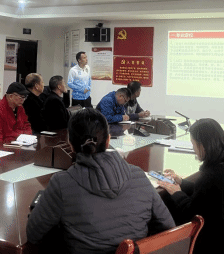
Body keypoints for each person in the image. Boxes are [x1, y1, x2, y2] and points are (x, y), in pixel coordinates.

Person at [27, 108, 175, 253]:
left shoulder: (62, 183)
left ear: (70, 144)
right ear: (108, 140)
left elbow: (33, 234)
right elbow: (168, 227)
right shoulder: (138, 175)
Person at [157, 119, 224, 254]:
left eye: (193, 144)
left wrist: (177, 193)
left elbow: (192, 214)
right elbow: (206, 195)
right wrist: (181, 182)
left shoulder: (210, 176)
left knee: (163, 207)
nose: (193, 149)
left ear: (203, 145)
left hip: (211, 241)